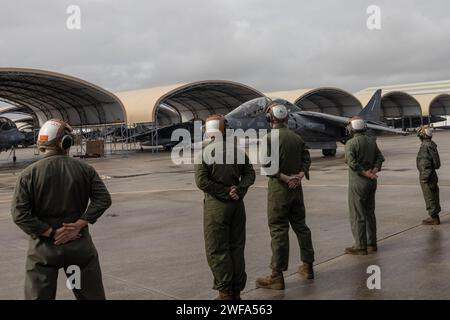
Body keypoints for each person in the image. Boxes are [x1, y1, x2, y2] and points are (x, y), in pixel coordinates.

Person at [11, 119, 112, 300]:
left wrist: (51, 232)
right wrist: (78, 225)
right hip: (79, 247)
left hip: (43, 251)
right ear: (65, 142)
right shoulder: (85, 169)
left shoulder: (28, 174)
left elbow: (20, 214)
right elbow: (103, 199)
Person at [194, 115, 255, 300]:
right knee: (236, 247)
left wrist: (224, 191)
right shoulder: (237, 151)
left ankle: (225, 293)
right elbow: (250, 173)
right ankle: (236, 291)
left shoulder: (203, 153)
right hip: (237, 206)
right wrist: (238, 189)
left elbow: (201, 181)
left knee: (217, 250)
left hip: (216, 207)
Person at [255, 102, 315, 291]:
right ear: (286, 118)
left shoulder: (269, 138)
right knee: (301, 227)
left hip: (279, 191)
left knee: (279, 230)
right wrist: (299, 175)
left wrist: (286, 177)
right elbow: (306, 158)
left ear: (269, 118)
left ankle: (276, 276)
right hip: (296, 190)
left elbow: (267, 165)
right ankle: (307, 266)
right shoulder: (297, 138)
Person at [344, 116, 385, 255]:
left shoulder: (350, 143)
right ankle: (371, 243)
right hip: (372, 182)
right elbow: (380, 158)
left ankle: (360, 246)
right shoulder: (371, 141)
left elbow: (351, 162)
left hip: (358, 182)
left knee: (358, 214)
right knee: (369, 213)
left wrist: (364, 173)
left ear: (352, 128)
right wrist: (373, 170)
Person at [416, 126, 441, 225]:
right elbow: (436, 164)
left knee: (429, 196)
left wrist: (424, 178)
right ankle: (435, 216)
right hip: (433, 175)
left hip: (427, 176)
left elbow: (425, 164)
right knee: (434, 195)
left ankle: (434, 218)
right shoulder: (432, 145)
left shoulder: (424, 147)